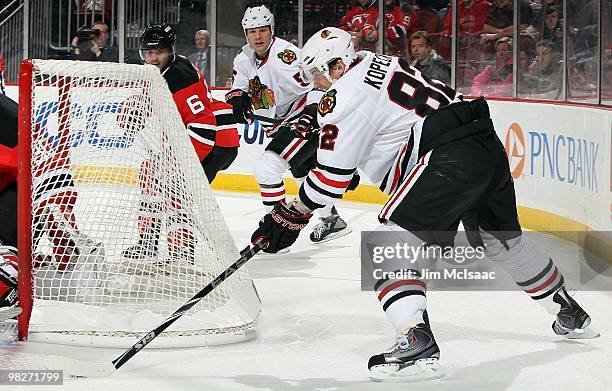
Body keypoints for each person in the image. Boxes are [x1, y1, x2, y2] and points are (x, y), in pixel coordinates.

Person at [250, 27, 598, 382]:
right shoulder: (376, 60)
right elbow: (382, 122)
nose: (316, 83)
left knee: (386, 245)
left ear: (338, 65)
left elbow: (331, 180)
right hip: (483, 141)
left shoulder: (342, 97)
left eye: (319, 72)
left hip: (447, 158)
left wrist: (290, 212)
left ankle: (416, 343)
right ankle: (569, 312)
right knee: (500, 241)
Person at [227, 5, 351, 244]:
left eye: (262, 30)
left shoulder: (287, 54)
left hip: (304, 117)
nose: (257, 36)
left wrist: (313, 111)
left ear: (271, 30)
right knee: (300, 170)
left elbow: (319, 77)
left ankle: (277, 231)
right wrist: (238, 100)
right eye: (252, 31)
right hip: (279, 124)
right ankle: (331, 219)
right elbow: (239, 87)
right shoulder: (243, 59)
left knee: (266, 168)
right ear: (246, 34)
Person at [124, 23, 240, 260]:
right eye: (149, 52)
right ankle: (147, 242)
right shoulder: (158, 72)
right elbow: (148, 97)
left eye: (159, 52)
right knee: (150, 173)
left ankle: (182, 250)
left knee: (175, 187)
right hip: (190, 139)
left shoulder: (180, 76)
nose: (153, 57)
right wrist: (131, 112)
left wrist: (181, 166)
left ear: (170, 51)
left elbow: (203, 125)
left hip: (217, 142)